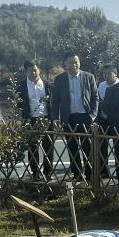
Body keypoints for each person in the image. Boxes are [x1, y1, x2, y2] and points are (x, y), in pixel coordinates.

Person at [49, 53, 98, 182]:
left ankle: (90, 175)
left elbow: (95, 98)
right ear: (65, 64)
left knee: (88, 147)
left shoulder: (88, 77)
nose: (73, 65)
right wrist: (56, 118)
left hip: (85, 117)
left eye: (76, 62)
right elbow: (55, 101)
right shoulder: (60, 79)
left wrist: (92, 115)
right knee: (72, 148)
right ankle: (77, 175)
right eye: (70, 62)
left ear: (79, 63)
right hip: (68, 118)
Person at [16, 61, 53, 181]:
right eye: (30, 71)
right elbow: (18, 103)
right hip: (30, 120)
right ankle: (35, 172)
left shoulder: (48, 85)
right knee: (32, 148)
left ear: (39, 70)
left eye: (35, 70)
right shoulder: (21, 86)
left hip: (46, 119)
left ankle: (48, 172)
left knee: (48, 147)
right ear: (25, 72)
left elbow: (54, 102)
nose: (33, 73)